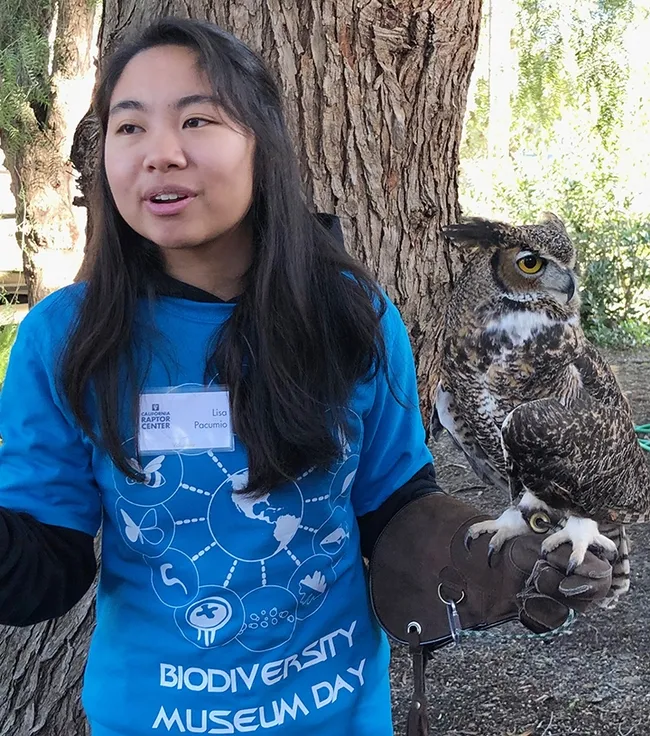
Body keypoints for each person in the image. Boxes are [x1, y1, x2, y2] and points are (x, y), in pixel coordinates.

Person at [0, 17, 611, 736]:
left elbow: (394, 499)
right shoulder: (65, 338)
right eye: (129, 128)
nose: (160, 154)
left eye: (196, 119)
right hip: (146, 718)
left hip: (337, 716)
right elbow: (47, 568)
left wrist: (485, 549)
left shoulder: (353, 315)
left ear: (262, 144)